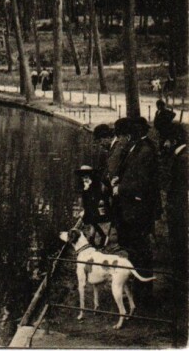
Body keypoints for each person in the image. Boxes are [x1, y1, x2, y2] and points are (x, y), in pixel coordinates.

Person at [115, 117, 161, 299]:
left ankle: (143, 293)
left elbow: (141, 181)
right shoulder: (138, 148)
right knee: (136, 249)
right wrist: (120, 179)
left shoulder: (144, 151)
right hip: (135, 208)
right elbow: (132, 175)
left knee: (140, 249)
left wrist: (121, 187)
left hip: (138, 209)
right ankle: (138, 288)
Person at [160, 124, 188, 279]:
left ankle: (181, 275)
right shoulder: (181, 156)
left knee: (179, 239)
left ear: (175, 140)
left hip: (180, 207)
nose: (164, 144)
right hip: (179, 206)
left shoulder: (183, 158)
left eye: (166, 140)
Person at [75, 165, 112, 247]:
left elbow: (99, 197)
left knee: (92, 221)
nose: (84, 178)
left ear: (90, 175)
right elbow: (85, 199)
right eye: (83, 176)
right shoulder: (85, 184)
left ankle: (93, 239)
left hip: (98, 207)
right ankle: (97, 237)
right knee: (92, 222)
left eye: (86, 175)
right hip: (90, 207)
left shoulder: (97, 184)